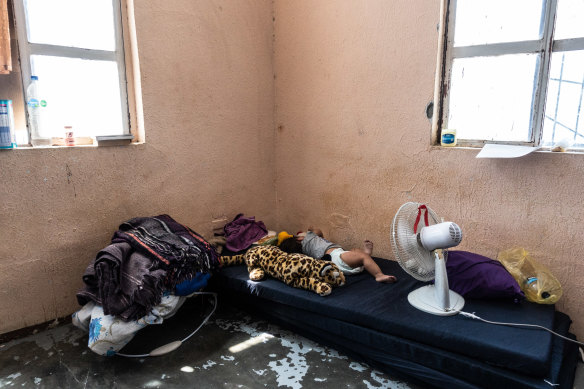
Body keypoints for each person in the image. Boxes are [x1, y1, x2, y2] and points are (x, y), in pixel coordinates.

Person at [292, 227, 397, 283]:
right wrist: (309, 231)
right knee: (360, 255)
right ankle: (378, 275)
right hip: (336, 257)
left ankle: (365, 258)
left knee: (354, 251)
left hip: (336, 264)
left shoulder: (306, 251)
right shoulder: (309, 239)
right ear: (299, 239)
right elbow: (318, 231)